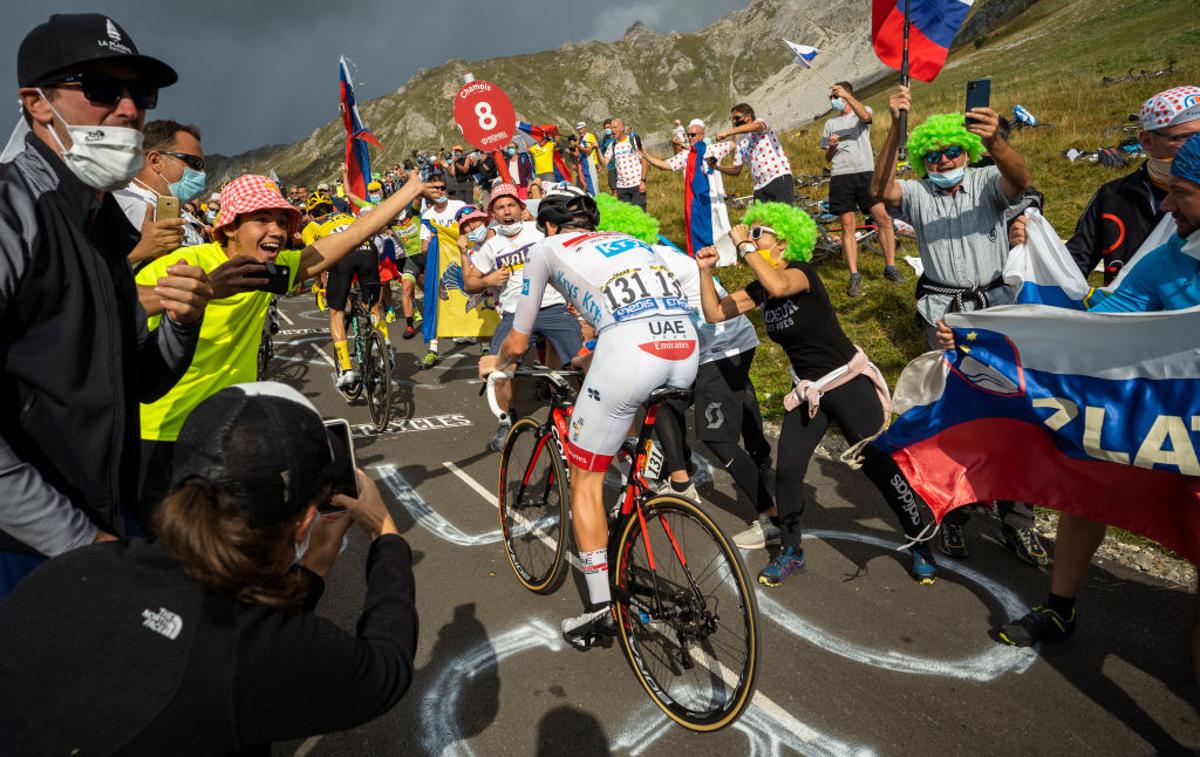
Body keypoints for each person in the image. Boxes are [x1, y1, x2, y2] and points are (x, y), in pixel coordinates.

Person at [0, 382, 418, 752]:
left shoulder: (78, 567)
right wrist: (386, 536)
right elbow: (386, 668)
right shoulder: (251, 653)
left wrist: (311, 574)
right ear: (305, 521)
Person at [0, 13, 213, 595]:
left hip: (107, 525)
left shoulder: (103, 221)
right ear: (37, 103)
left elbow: (139, 379)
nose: (127, 110)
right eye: (100, 89)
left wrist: (182, 321)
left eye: (139, 93)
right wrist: (77, 540)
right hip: (24, 549)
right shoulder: (12, 208)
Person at [987, 134, 1200, 689]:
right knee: (1090, 479)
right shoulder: (1171, 255)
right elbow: (1101, 321)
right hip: (1165, 411)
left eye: (1180, 193)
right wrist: (992, 335)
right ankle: (1061, 605)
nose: (1166, 206)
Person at [134, 172, 427, 526]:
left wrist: (410, 191)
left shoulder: (268, 271)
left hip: (226, 431)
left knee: (226, 545)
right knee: (161, 546)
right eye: (261, 219)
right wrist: (203, 289)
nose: (275, 230)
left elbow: (351, 236)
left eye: (281, 221)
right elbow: (115, 304)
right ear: (229, 227)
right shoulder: (187, 261)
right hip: (160, 433)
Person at [487, 185, 697, 646]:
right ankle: (642, 477)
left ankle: (602, 609)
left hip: (629, 351)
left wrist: (498, 365)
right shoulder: (633, 241)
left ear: (547, 225)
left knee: (584, 478)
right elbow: (684, 276)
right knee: (618, 418)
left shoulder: (545, 248)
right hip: (683, 345)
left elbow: (519, 342)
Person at [696, 203, 937, 586]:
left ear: (785, 243)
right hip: (809, 392)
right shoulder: (762, 288)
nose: (750, 239)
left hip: (846, 383)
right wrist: (705, 272)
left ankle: (920, 539)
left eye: (759, 234)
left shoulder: (800, 274)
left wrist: (744, 247)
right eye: (750, 234)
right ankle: (791, 551)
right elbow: (713, 313)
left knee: (879, 467)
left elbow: (778, 286)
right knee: (788, 471)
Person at [871, 85, 1047, 564]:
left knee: (1011, 416)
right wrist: (894, 129)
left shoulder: (988, 179)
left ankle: (1018, 521)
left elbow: (1022, 177)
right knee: (953, 418)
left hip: (996, 313)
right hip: (943, 318)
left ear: (965, 152)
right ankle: (953, 514)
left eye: (952, 151)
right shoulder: (918, 194)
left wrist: (995, 142)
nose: (944, 160)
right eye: (933, 154)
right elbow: (878, 190)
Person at [595, 196, 776, 544]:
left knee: (716, 436)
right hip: (706, 344)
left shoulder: (650, 262)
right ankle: (685, 476)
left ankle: (771, 518)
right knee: (666, 402)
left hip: (719, 346)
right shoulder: (648, 256)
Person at [471, 184, 582, 451]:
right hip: (515, 312)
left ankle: (586, 415)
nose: (506, 212)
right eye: (500, 207)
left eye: (511, 205)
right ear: (493, 215)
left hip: (554, 307)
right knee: (501, 368)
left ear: (522, 209)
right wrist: (488, 279)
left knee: (582, 360)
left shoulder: (541, 231)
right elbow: (470, 282)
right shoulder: (491, 246)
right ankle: (505, 420)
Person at [1064, 85, 1200, 284]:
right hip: (1129, 309)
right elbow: (1071, 266)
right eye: (1188, 137)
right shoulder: (1112, 196)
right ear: (1147, 141)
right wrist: (1036, 246)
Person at [300, 189, 388, 390]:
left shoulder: (311, 226)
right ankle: (384, 345)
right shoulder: (348, 215)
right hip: (368, 251)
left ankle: (347, 370)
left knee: (336, 312)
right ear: (332, 208)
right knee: (372, 303)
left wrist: (318, 284)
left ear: (311, 213)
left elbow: (316, 259)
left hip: (341, 257)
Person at [820, 81, 902, 296]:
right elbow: (827, 157)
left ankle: (891, 266)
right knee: (848, 225)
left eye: (837, 96)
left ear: (847, 95)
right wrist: (832, 147)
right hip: (841, 176)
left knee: (882, 218)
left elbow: (867, 118)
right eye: (832, 97)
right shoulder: (829, 123)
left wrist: (847, 95)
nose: (834, 101)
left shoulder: (861, 112)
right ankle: (854, 274)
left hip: (865, 174)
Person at [115, 119, 207, 265]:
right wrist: (138, 252)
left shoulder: (184, 217)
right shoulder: (118, 204)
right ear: (156, 161)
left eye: (203, 166)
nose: (202, 173)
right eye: (195, 163)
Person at [641, 118, 733, 256]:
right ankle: (703, 255)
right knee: (698, 227)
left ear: (702, 135)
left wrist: (730, 131)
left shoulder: (713, 149)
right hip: (696, 199)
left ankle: (725, 257)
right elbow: (666, 165)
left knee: (720, 225)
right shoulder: (686, 155)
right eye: (688, 135)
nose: (689, 137)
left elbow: (733, 144)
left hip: (714, 198)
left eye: (693, 135)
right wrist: (646, 156)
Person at [713, 102, 794, 204]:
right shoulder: (741, 142)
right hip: (759, 186)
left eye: (737, 118)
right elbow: (736, 170)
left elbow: (755, 127)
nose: (734, 122)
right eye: (732, 120)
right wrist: (716, 167)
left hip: (777, 177)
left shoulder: (759, 124)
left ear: (748, 116)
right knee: (760, 220)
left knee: (785, 217)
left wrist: (728, 132)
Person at [602, 117, 648, 209]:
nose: (612, 130)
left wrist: (643, 181)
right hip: (621, 187)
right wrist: (596, 149)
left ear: (622, 128)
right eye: (611, 128)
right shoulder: (613, 145)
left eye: (614, 127)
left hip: (636, 185)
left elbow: (645, 161)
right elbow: (604, 163)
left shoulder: (633, 141)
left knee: (640, 215)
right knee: (626, 217)